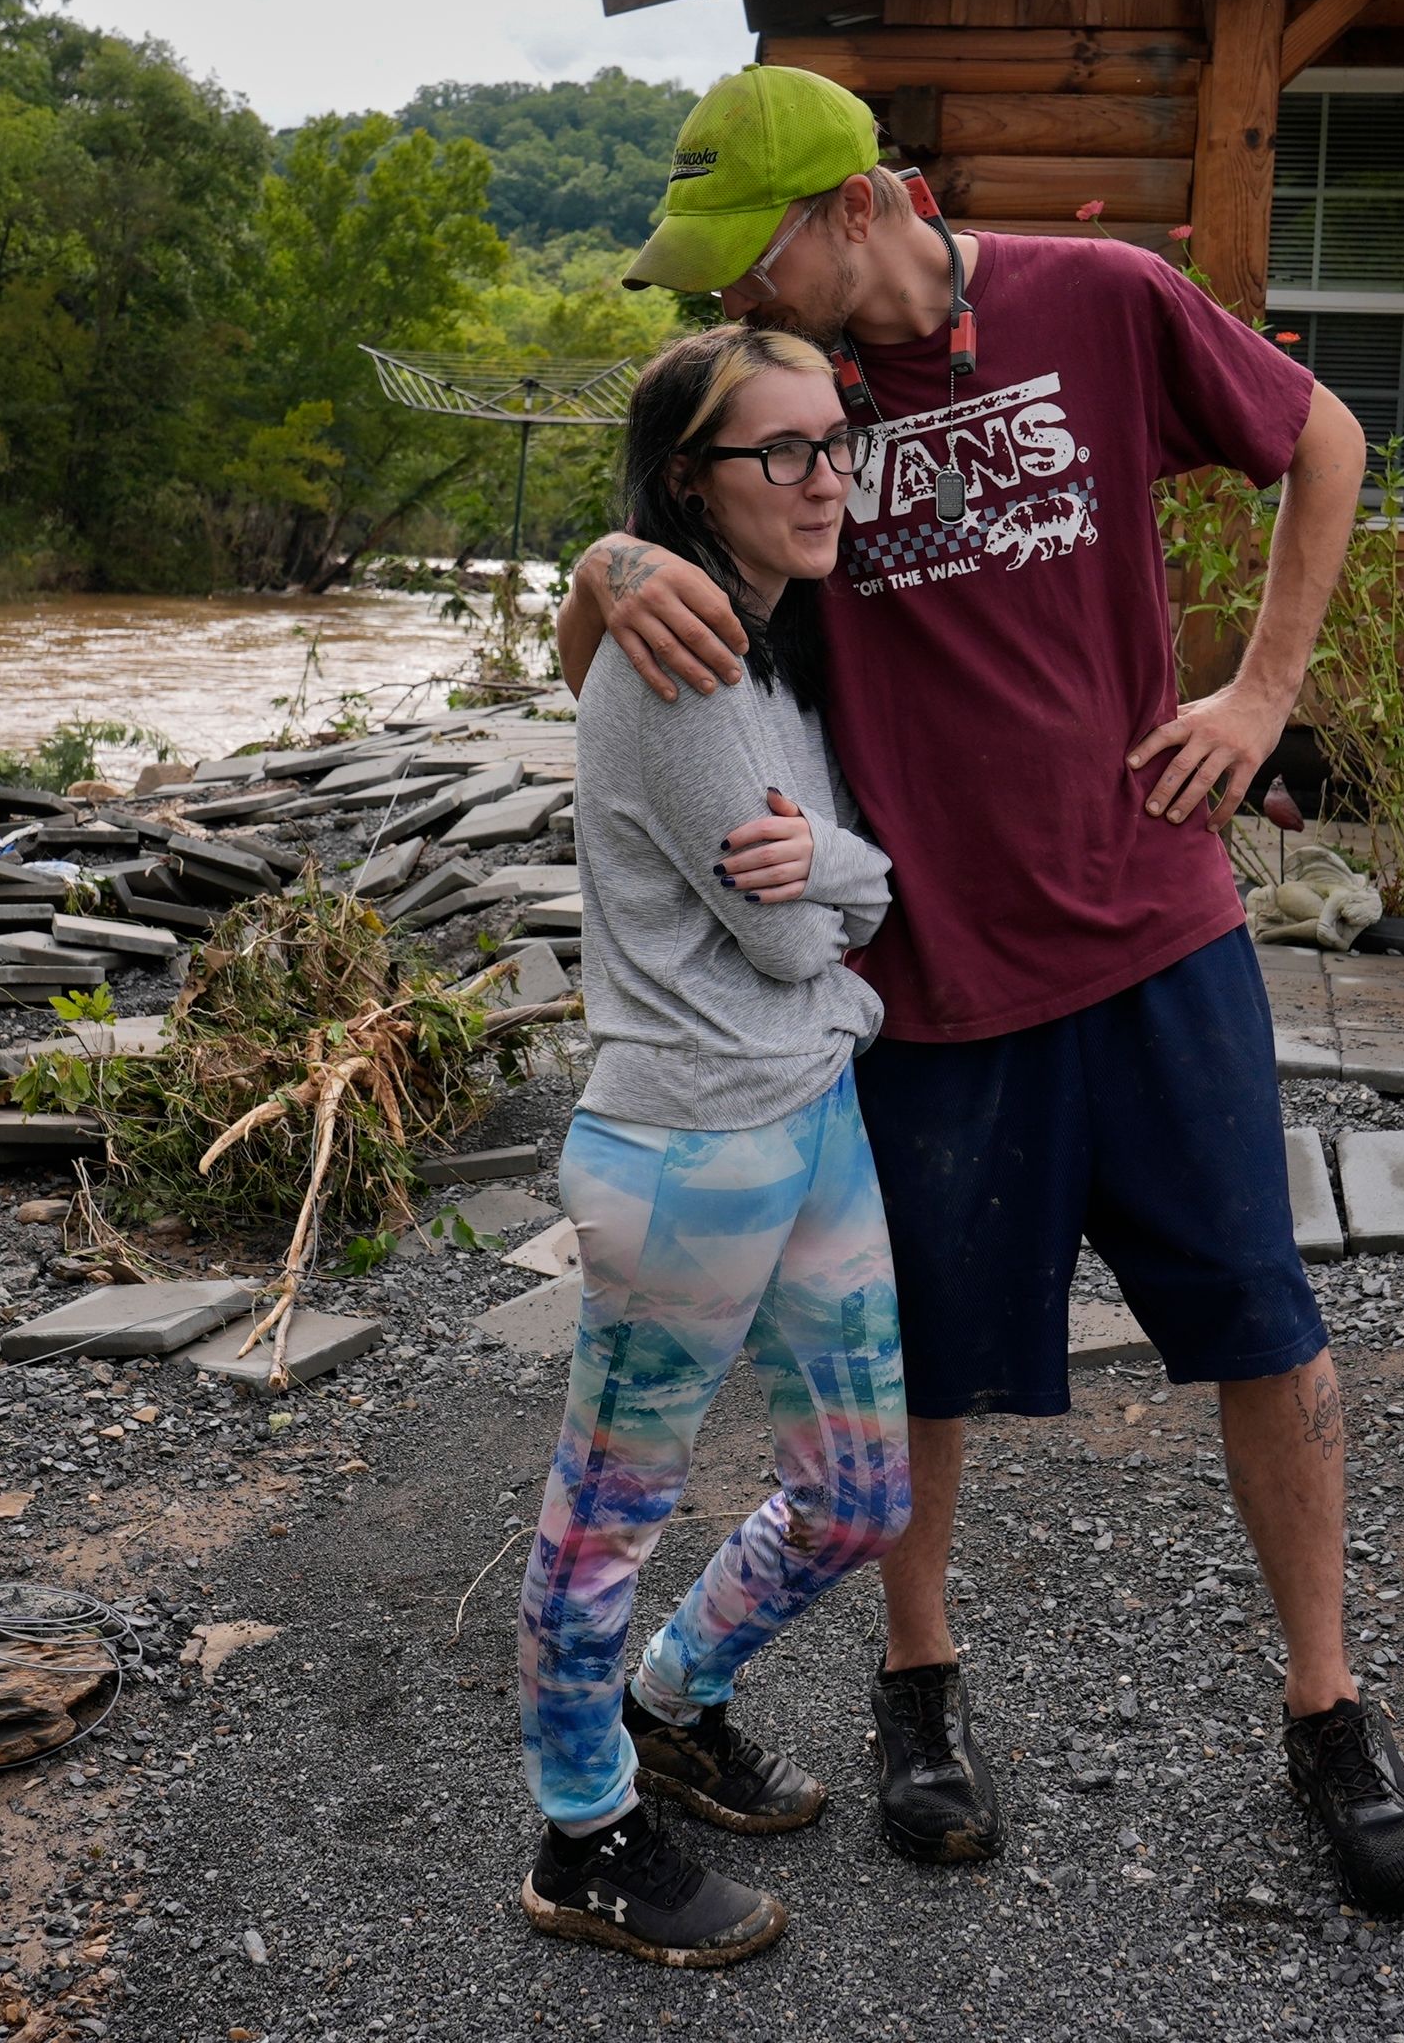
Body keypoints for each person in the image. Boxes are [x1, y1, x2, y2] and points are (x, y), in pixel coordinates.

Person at [556, 64, 1404, 1919]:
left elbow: (1328, 439)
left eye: (756, 255)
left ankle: (1331, 1710)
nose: (734, 299)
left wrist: (1264, 693)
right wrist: (608, 552)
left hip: (1156, 929)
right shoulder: (784, 411)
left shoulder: (1097, 298)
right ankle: (920, 1695)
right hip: (928, 968)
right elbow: (612, 602)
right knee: (936, 1366)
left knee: (1264, 1326)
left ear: (865, 205)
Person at [512, 324, 913, 1970]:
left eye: (838, 442)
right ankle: (583, 1829)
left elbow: (818, 894)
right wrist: (861, 879)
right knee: (606, 1511)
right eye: (782, 453)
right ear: (692, 480)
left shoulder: (773, 639)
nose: (827, 480)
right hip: (685, 1148)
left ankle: (676, 1699)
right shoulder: (678, 664)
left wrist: (835, 868)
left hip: (808, 1116)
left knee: (864, 1492)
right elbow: (791, 936)